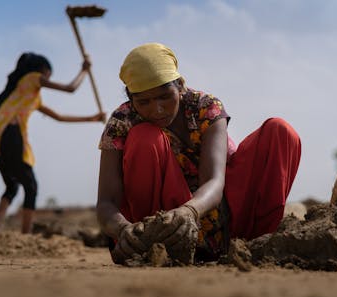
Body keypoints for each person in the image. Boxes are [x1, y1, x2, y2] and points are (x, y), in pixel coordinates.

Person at [97, 43, 301, 263]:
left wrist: (190, 211)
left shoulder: (206, 108)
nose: (156, 109)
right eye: (143, 101)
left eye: (165, 96)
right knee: (145, 137)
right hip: (165, 229)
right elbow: (106, 202)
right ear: (131, 99)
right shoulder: (123, 121)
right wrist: (123, 230)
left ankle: (257, 245)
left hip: (223, 216)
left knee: (280, 131)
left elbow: (214, 181)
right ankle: (153, 247)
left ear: (181, 86)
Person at [0, 52, 105, 234]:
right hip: (9, 134)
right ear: (42, 70)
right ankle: (26, 235)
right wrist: (84, 70)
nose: (47, 78)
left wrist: (92, 118)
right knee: (31, 186)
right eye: (48, 74)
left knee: (12, 186)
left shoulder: (29, 94)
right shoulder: (31, 78)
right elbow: (70, 89)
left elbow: (59, 117)